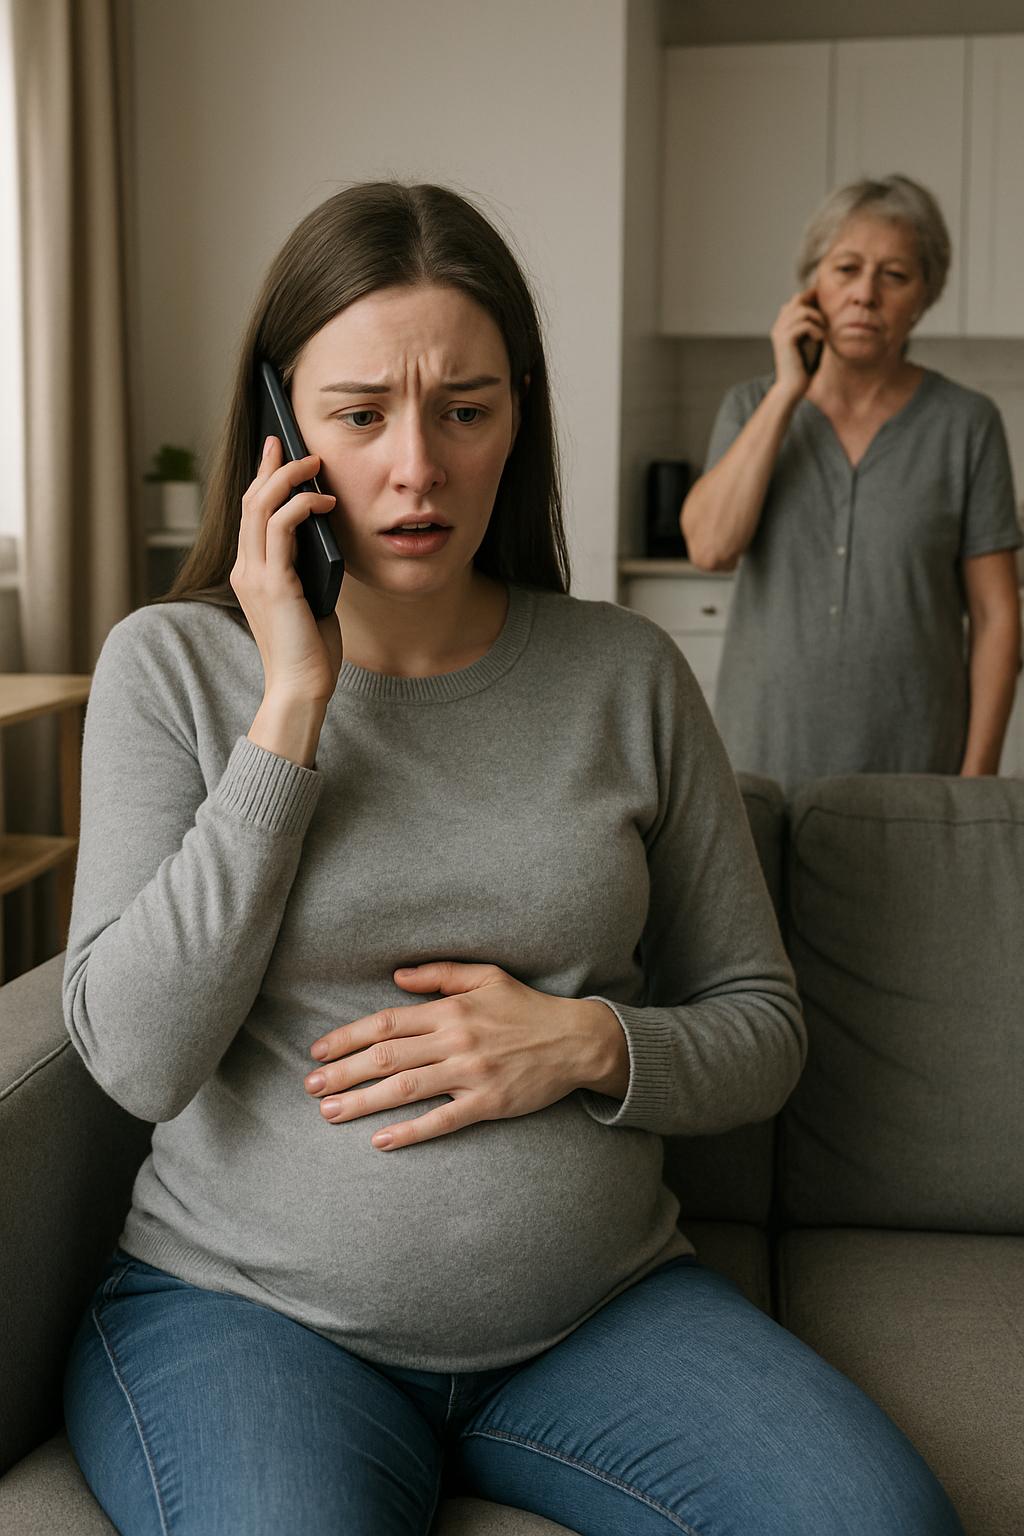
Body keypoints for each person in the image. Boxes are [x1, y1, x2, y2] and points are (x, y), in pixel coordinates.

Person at [62, 181, 964, 1535]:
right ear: (280, 429)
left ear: (517, 419)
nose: (416, 465)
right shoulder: (171, 667)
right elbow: (133, 1056)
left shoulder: (629, 676)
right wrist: (292, 709)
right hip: (249, 1319)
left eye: (464, 410)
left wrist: (588, 1042)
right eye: (360, 414)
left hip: (598, 1317)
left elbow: (763, 1029)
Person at [682, 174, 1022, 794]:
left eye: (895, 275)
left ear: (924, 296)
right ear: (812, 285)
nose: (866, 294)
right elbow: (709, 548)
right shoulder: (751, 405)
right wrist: (789, 390)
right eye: (846, 269)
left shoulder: (967, 425)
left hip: (918, 771)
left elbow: (998, 616)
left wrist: (978, 781)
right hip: (761, 766)